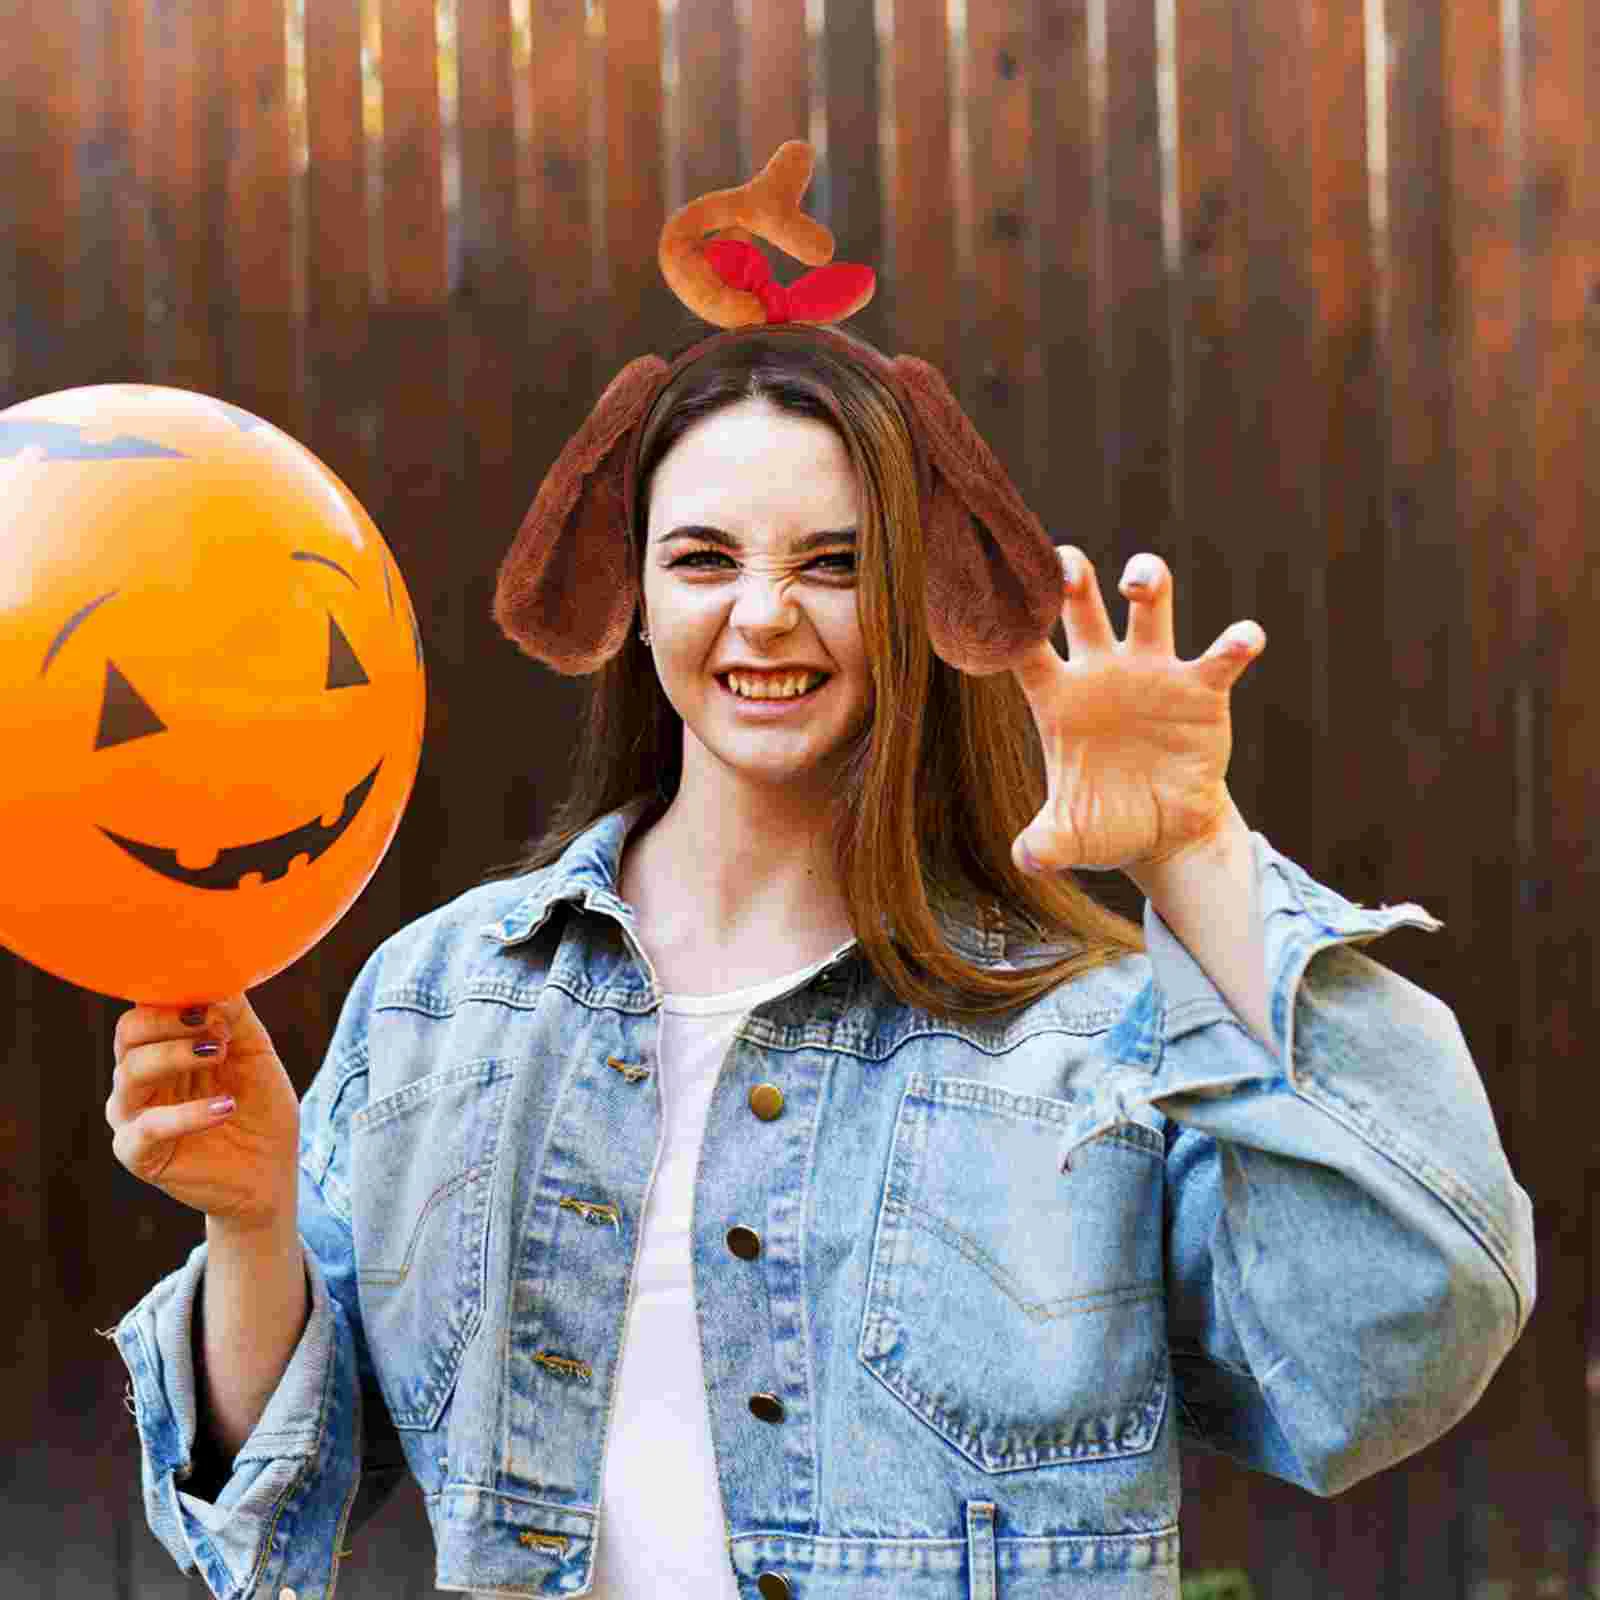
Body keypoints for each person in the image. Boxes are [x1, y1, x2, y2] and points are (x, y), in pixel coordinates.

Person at [102, 143, 1536, 1600]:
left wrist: (1195, 849)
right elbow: (270, 1510)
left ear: (914, 601)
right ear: (634, 598)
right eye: (705, 559)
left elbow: (1402, 1335)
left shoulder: (1084, 1039)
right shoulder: (441, 1004)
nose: (765, 617)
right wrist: (253, 1218)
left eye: (837, 564)